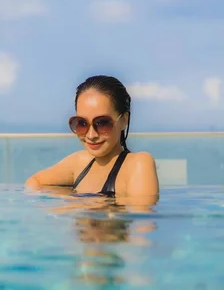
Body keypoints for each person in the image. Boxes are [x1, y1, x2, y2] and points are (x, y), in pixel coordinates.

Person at [25, 75, 159, 203]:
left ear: (124, 120)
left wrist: (82, 204)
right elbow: (33, 182)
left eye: (102, 123)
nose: (91, 135)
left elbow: (143, 222)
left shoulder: (138, 164)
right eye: (82, 123)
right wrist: (66, 200)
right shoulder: (79, 162)